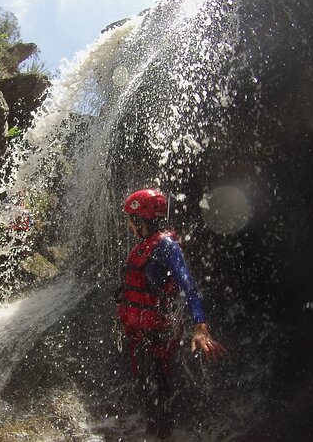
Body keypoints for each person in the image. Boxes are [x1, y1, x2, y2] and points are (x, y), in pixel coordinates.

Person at [116, 188, 227, 440]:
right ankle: (155, 432)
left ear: (142, 220)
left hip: (158, 333)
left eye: (131, 220)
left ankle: (163, 435)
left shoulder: (165, 246)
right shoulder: (147, 245)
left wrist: (200, 326)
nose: (129, 225)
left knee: (159, 389)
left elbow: (187, 284)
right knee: (148, 389)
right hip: (142, 332)